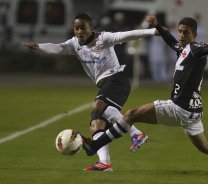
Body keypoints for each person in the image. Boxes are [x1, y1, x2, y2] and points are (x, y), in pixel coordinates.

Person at [81, 15, 208, 176]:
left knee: (131, 114)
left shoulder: (196, 48)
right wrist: (158, 26)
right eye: (180, 32)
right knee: (206, 147)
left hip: (179, 107)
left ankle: (95, 146)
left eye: (186, 33)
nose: (182, 36)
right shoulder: (182, 48)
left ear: (195, 34)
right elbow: (170, 41)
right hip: (193, 112)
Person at [23, 13, 157, 171]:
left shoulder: (103, 38)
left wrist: (153, 31)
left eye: (83, 28)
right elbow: (59, 48)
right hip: (104, 85)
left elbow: (127, 35)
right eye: (76, 28)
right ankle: (105, 163)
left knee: (98, 105)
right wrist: (39, 46)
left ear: (91, 28)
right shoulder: (74, 44)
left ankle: (136, 134)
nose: (79, 31)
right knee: (96, 125)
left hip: (116, 80)